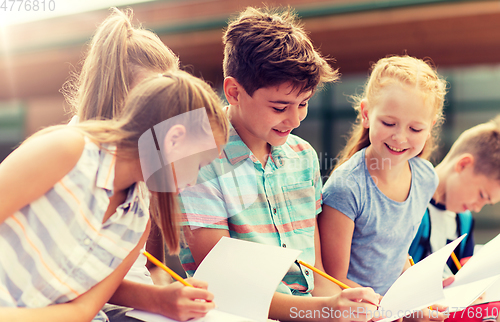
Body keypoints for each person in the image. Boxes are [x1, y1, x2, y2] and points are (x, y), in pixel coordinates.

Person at [178, 6, 380, 322]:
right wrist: (323, 311)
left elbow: (319, 276)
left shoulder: (304, 156)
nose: (296, 118)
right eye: (280, 106)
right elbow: (223, 287)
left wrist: (346, 306)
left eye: (304, 103)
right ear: (234, 92)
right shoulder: (198, 160)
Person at [0, 70, 228, 322]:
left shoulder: (138, 223)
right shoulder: (69, 150)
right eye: (198, 164)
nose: (194, 180)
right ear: (174, 139)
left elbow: (82, 310)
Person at [62, 8, 210, 321]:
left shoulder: (145, 166)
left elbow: (140, 268)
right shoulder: (69, 156)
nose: (164, 107)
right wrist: (159, 298)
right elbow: (75, 279)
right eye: (151, 94)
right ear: (116, 92)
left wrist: (168, 294)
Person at [317, 55, 448, 319]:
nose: (400, 137)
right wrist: (402, 309)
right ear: (366, 114)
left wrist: (421, 293)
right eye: (389, 123)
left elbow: (396, 254)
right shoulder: (346, 188)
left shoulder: (425, 178)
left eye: (415, 128)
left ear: (430, 128)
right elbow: (334, 280)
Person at [409, 115, 500, 275]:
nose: (477, 208)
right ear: (463, 165)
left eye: (488, 203)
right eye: (481, 195)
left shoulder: (464, 222)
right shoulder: (405, 202)